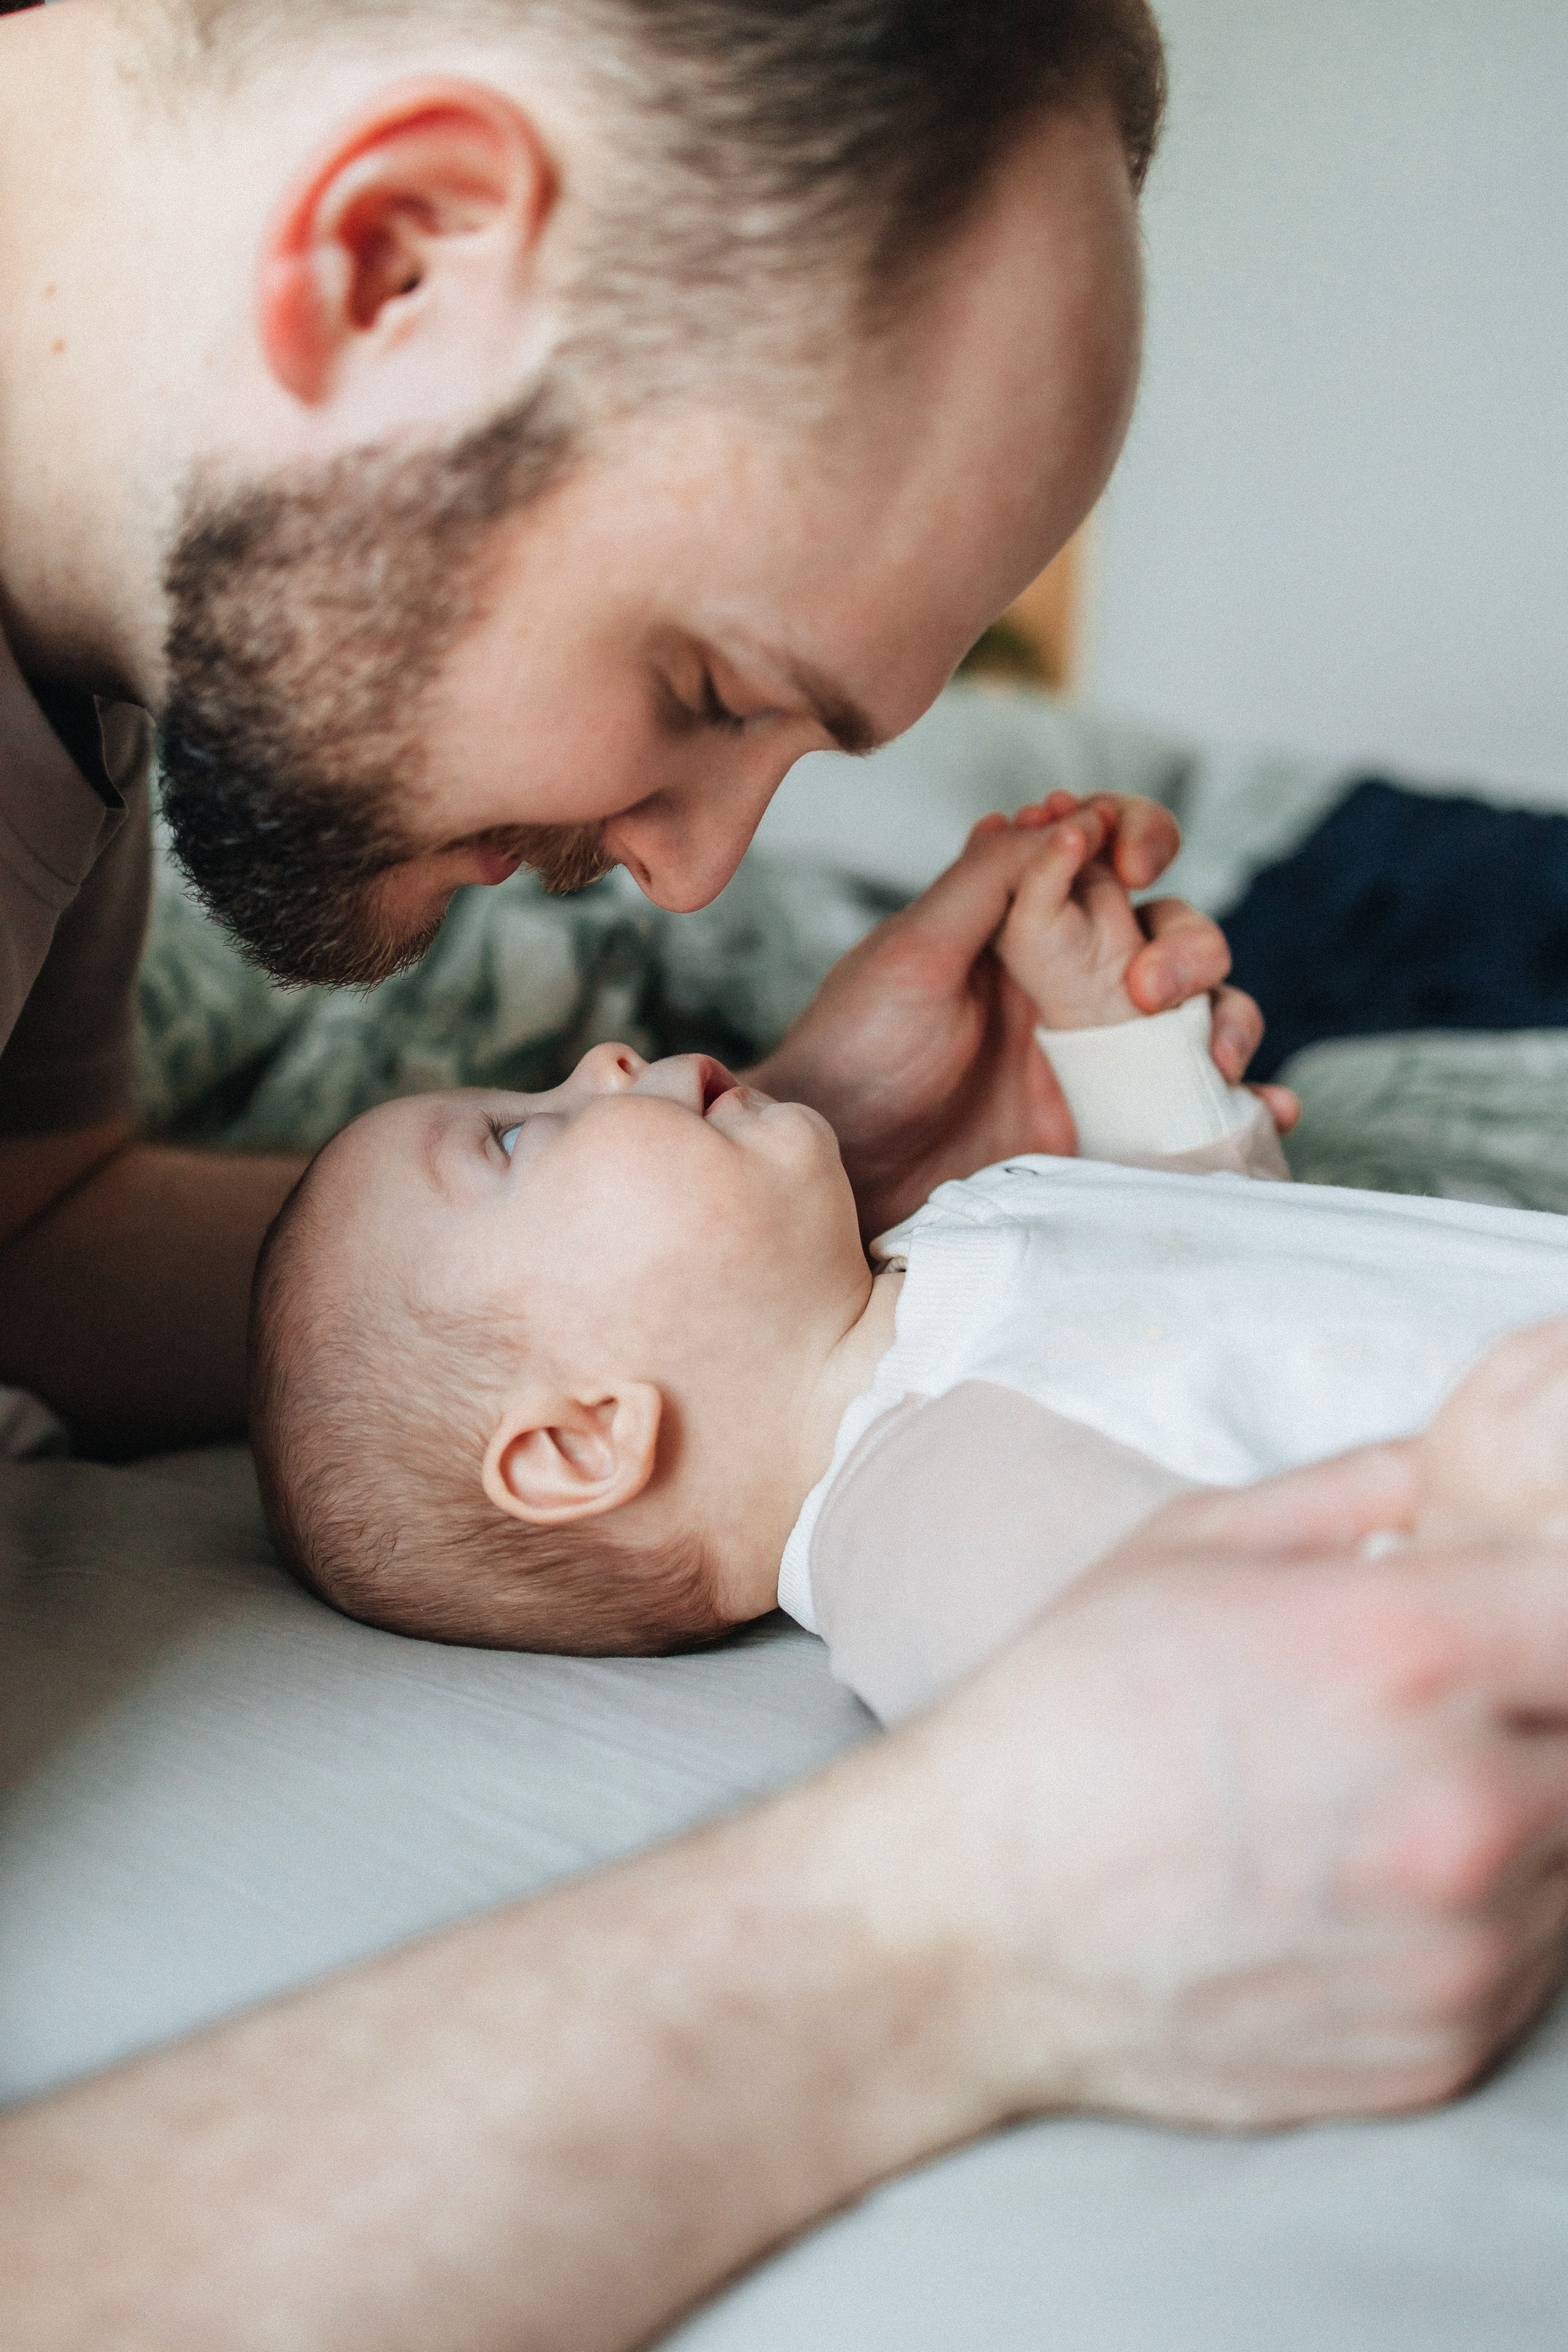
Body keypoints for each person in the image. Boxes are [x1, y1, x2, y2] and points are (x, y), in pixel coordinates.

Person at [5, 7, 1568, 2348]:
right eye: (715, 685)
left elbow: (27, 1240)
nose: (694, 872)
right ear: (395, 253)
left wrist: (788, 1206)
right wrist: (952, 1919)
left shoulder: (95, 644)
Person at [246, 802, 1568, 1730]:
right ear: (582, 1439)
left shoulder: (933, 1267)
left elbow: (1216, 1258)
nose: (595, 1063)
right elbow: (1188, 1692)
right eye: (513, 1134)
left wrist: (1107, 1032)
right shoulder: (920, 1516)